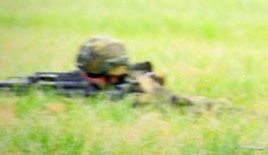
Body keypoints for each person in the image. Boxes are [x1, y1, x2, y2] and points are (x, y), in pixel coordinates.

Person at [1, 35, 219, 110]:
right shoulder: (80, 81)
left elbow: (188, 105)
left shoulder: (142, 90)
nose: (87, 79)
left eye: (95, 76)